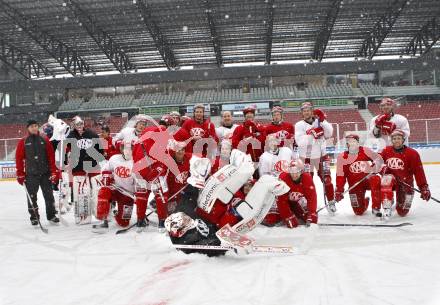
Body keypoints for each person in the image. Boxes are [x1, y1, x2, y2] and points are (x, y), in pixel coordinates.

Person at [93, 141, 149, 232]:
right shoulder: (114, 159)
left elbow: (141, 182)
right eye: (124, 148)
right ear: (121, 149)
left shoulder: (137, 161)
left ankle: (116, 213)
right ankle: (103, 220)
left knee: (124, 223)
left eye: (130, 148)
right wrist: (107, 177)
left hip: (128, 195)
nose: (127, 151)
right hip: (116, 189)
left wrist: (139, 199)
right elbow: (105, 169)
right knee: (104, 191)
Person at [15, 119, 60, 226]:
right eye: (32, 126)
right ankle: (34, 217)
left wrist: (54, 171)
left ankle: (52, 215)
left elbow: (51, 157)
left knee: (49, 196)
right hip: (31, 175)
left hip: (45, 173)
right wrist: (20, 173)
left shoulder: (44, 140)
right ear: (28, 128)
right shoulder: (23, 141)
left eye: (36, 126)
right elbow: (19, 159)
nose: (34, 128)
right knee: (31, 197)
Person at [378, 129, 430, 219]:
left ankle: (397, 203)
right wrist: (382, 169)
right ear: (391, 140)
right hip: (392, 181)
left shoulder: (412, 154)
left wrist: (424, 187)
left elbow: (419, 172)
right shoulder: (385, 151)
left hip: (405, 184)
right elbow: (377, 163)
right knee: (386, 179)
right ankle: (387, 207)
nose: (396, 140)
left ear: (403, 140)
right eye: (394, 138)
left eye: (398, 138)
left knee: (402, 212)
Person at [294, 102, 335, 213]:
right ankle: (308, 204)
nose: (306, 112)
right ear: (302, 113)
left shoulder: (319, 121)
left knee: (327, 180)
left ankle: (331, 202)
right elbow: (299, 142)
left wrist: (323, 121)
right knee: (307, 182)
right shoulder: (299, 125)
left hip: (322, 155)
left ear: (312, 111)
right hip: (306, 158)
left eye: (308, 110)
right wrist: (312, 134)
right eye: (304, 110)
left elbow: (329, 133)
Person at [65, 116, 104, 224]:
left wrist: (95, 158)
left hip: (93, 166)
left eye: (81, 124)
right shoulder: (70, 136)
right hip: (78, 167)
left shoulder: (92, 134)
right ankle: (83, 216)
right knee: (82, 192)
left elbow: (100, 149)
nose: (79, 126)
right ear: (73, 125)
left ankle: (101, 213)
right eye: (77, 124)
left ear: (84, 124)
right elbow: (65, 150)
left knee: (98, 190)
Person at [335, 134, 382, 216]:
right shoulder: (342, 157)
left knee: (375, 179)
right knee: (358, 212)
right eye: (349, 142)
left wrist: (373, 168)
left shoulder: (365, 151)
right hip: (354, 185)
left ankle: (376, 208)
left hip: (367, 180)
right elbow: (340, 176)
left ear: (358, 143)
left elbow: (379, 159)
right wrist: (339, 190)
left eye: (354, 141)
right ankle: (365, 202)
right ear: (347, 144)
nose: (352, 144)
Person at [273, 159, 318, 228]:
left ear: (301, 171)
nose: (294, 175)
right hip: (282, 201)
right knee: (272, 218)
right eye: (292, 172)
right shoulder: (283, 178)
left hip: (297, 200)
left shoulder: (307, 178)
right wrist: (287, 216)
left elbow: (311, 197)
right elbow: (280, 200)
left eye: (297, 172)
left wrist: (312, 213)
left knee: (310, 218)